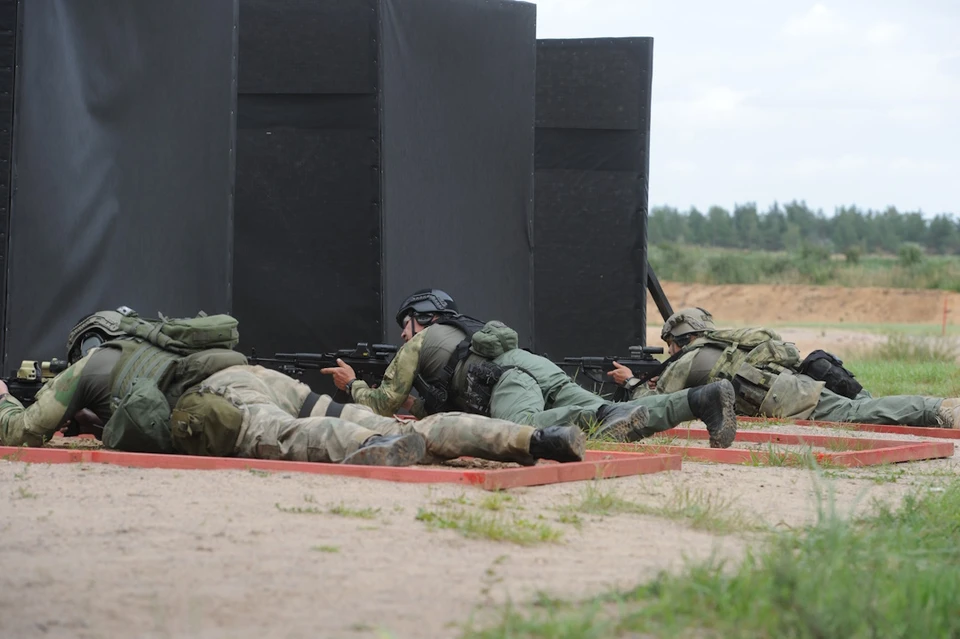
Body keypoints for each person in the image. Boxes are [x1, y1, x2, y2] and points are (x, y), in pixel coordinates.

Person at [0, 309, 587, 467]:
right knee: (390, 422)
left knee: (298, 437)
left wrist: (4, 397)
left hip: (227, 400)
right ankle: (533, 438)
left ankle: (373, 452)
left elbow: (23, 431)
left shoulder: (91, 367)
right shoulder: (162, 339)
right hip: (255, 376)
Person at [321, 289, 738, 448]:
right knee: (621, 423)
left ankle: (605, 414)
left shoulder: (422, 340)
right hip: (537, 369)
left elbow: (385, 400)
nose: (401, 336)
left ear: (418, 318)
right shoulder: (463, 333)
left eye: (404, 326)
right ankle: (700, 400)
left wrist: (353, 384)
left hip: (508, 382)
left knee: (545, 428)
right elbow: (439, 399)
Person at [608, 307, 960, 429]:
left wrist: (631, 381)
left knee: (858, 414)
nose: (668, 351)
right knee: (859, 408)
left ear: (680, 339)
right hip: (790, 386)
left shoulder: (686, 361)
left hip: (788, 400)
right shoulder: (723, 344)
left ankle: (938, 410)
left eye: (670, 344)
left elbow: (653, 405)